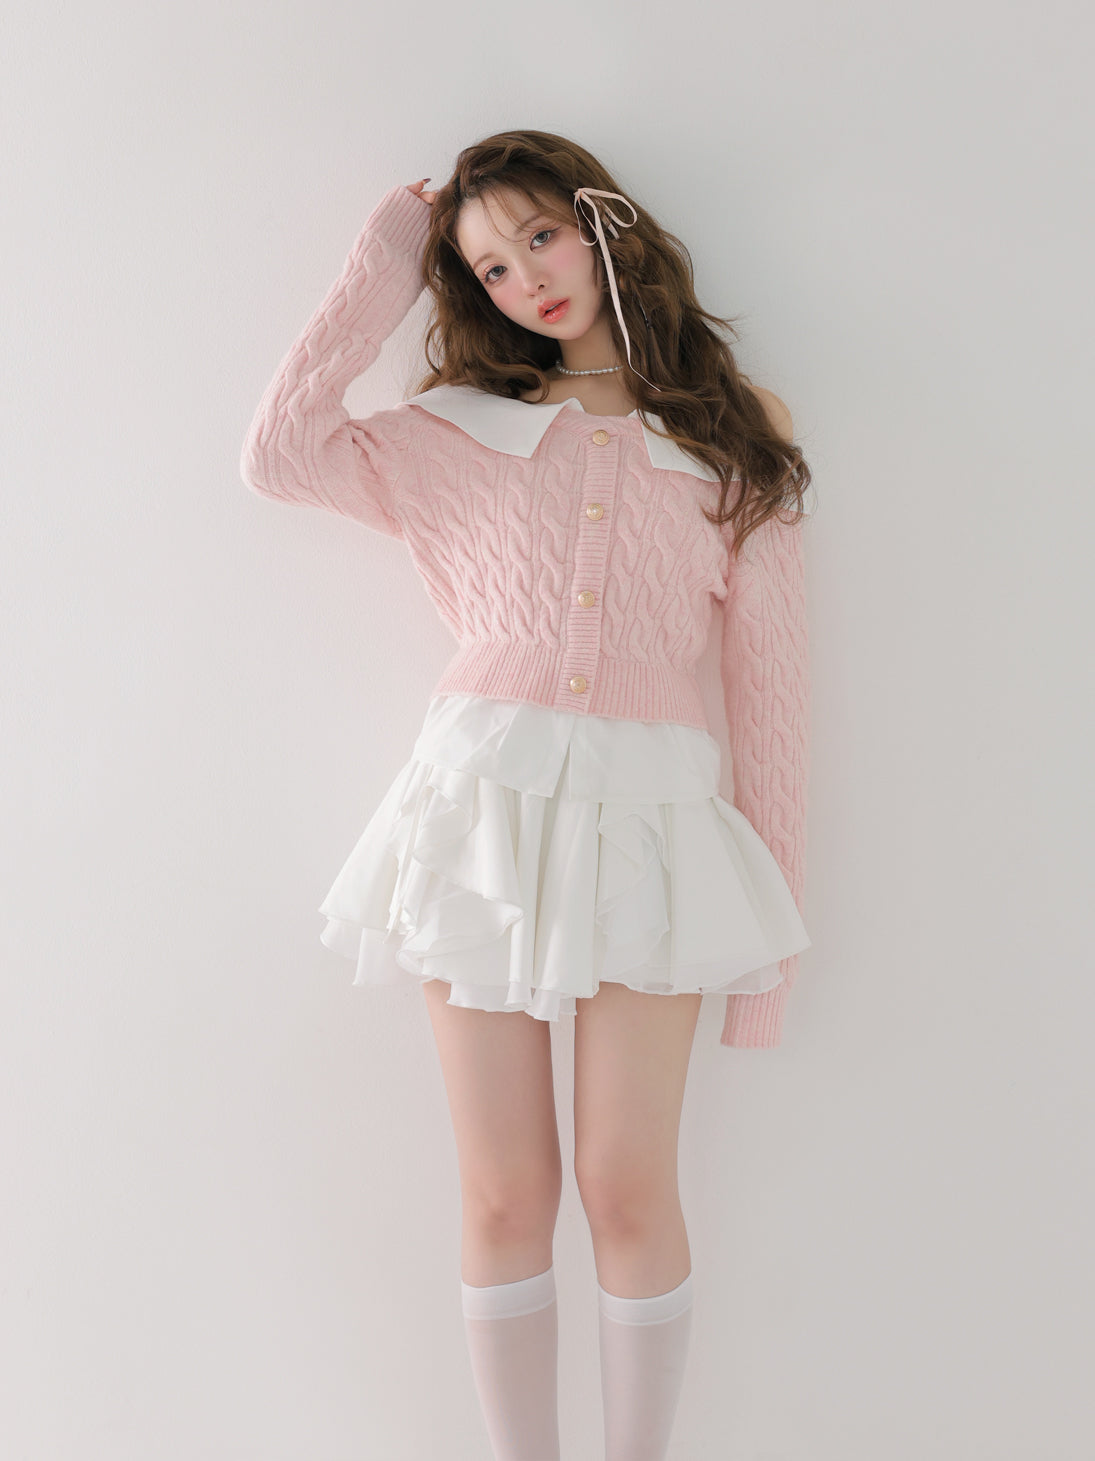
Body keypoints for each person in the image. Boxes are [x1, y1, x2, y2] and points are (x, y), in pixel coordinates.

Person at [240, 128, 814, 1461]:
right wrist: (386, 263)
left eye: (541, 237)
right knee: (506, 1190)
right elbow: (280, 452)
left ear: (605, 225)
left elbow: (776, 702)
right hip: (477, 813)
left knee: (625, 1183)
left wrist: (769, 971)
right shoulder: (458, 432)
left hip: (654, 826)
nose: (527, 280)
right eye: (492, 267)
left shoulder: (736, 436)